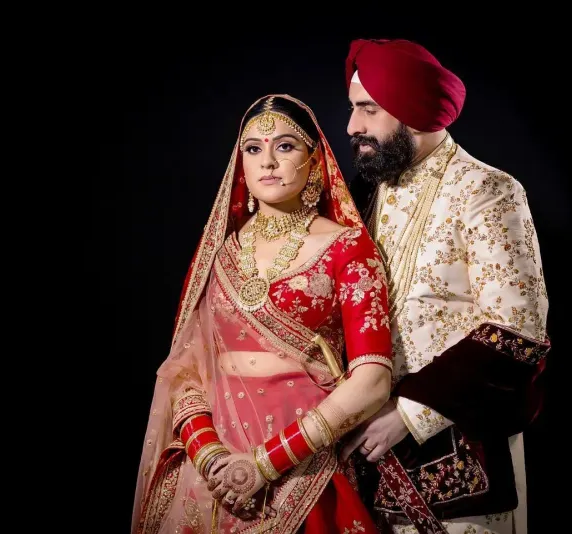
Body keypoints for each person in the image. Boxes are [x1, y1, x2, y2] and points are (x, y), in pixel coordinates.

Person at [132, 94, 396, 534]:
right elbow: (185, 374)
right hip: (209, 476)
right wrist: (212, 457)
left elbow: (372, 381)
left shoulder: (348, 248)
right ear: (241, 163)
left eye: (286, 146)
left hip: (304, 470)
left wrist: (262, 464)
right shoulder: (220, 254)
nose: (268, 161)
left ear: (315, 161)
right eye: (253, 148)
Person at [339, 39, 551, 534]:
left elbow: (517, 333)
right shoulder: (365, 191)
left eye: (367, 110)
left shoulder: (487, 191)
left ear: (412, 113)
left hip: (458, 456)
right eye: (353, 110)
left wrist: (408, 415)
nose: (353, 127)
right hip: (363, 460)